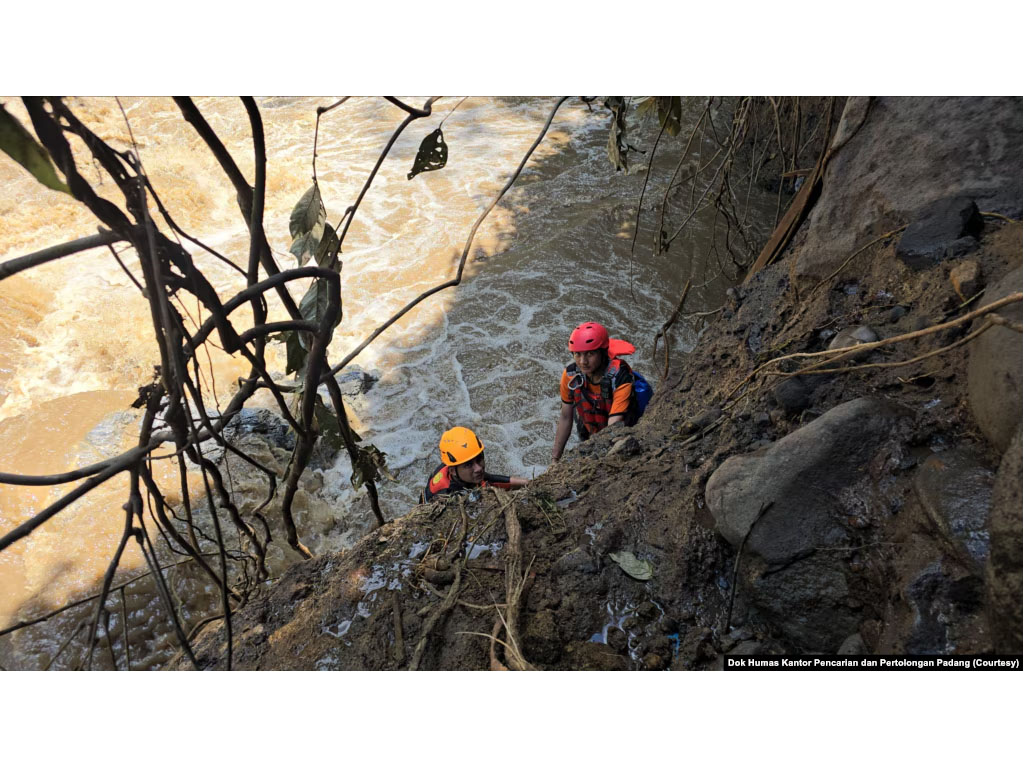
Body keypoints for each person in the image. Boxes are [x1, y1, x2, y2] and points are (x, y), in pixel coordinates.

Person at [551, 321, 640, 462]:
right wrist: (555, 460)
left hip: (619, 430)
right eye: (577, 354)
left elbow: (614, 424)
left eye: (590, 354)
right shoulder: (570, 375)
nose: (583, 361)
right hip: (588, 427)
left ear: (603, 352)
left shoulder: (620, 376)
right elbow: (565, 417)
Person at [421, 426, 529, 503]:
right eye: (468, 465)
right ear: (452, 471)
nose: (478, 468)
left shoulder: (457, 467)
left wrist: (529, 483)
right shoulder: (446, 496)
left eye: (479, 459)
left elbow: (490, 479)